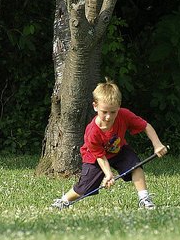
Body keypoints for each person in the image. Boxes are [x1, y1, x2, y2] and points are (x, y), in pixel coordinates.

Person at [51, 78, 168, 210]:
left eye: (113, 112)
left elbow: (145, 126)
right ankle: (63, 201)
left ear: (119, 106)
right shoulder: (92, 131)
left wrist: (157, 144)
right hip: (95, 158)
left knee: (136, 166)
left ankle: (144, 199)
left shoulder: (124, 115)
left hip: (119, 150)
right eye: (104, 112)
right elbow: (100, 156)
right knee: (85, 188)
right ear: (95, 106)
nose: (108, 117)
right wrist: (108, 174)